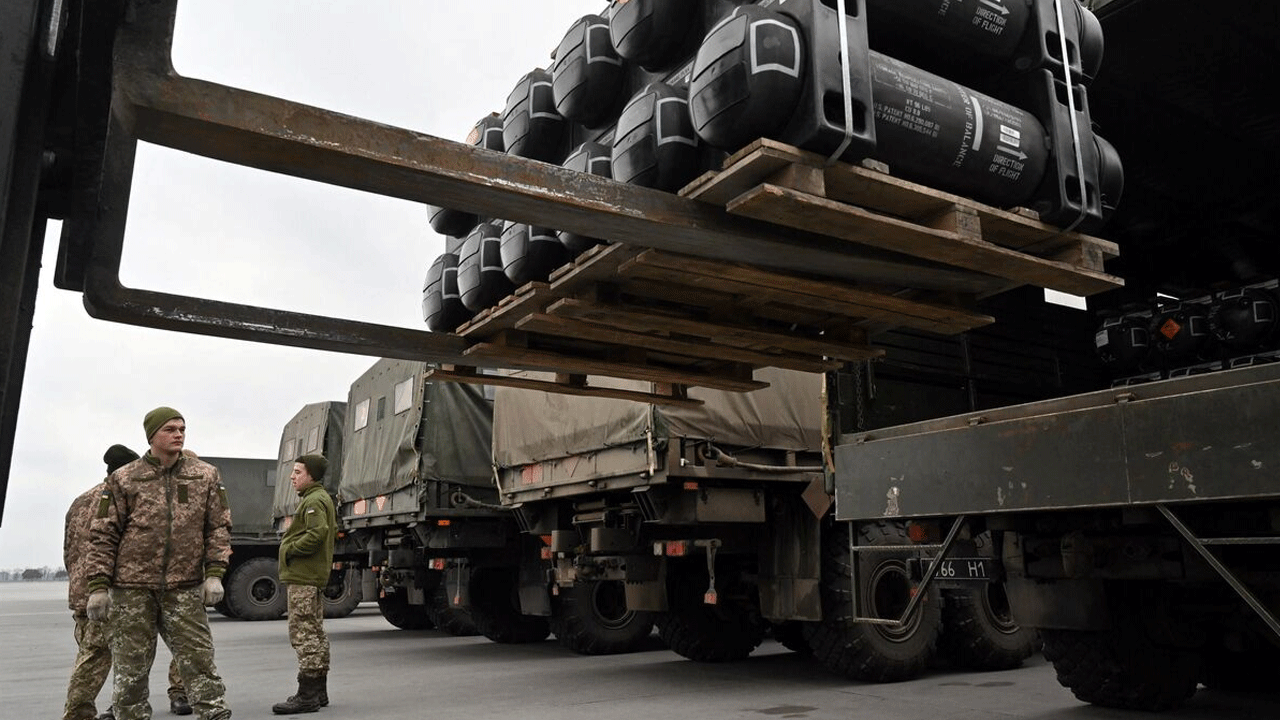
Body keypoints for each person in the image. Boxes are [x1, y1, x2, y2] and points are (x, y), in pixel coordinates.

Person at [85, 407, 233, 720]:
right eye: (170, 429)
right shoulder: (124, 478)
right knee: (130, 672)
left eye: (182, 428)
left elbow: (218, 527)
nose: (179, 434)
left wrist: (215, 574)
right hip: (132, 590)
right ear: (152, 436)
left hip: (184, 588)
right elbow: (102, 535)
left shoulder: (204, 475)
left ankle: (214, 715)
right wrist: (98, 586)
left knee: (199, 663)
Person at [272, 454, 337, 715]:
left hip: (304, 576)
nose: (292, 476)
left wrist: (289, 550)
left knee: (304, 634)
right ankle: (318, 691)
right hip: (309, 576)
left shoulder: (313, 501)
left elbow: (316, 534)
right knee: (315, 632)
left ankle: (307, 695)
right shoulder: (318, 498)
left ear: (311, 475)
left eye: (298, 472)